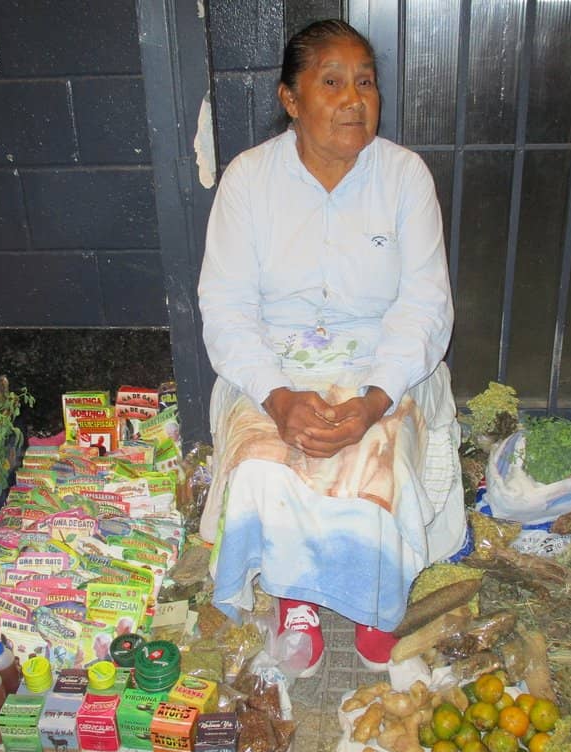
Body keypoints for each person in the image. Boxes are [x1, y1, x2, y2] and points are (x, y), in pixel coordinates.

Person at [197, 19, 466, 675]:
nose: (356, 100)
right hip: (274, 364)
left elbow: (425, 303)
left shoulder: (403, 177)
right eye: (334, 82)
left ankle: (378, 594)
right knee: (267, 460)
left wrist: (376, 399)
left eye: (366, 82)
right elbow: (227, 308)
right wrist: (279, 397)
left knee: (378, 460)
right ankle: (294, 592)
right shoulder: (248, 180)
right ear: (291, 100)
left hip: (381, 363)